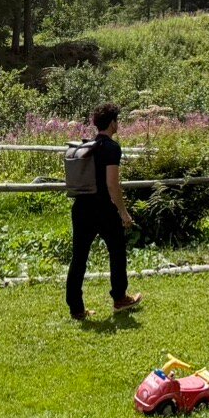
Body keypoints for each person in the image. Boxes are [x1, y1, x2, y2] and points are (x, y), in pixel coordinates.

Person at [67, 102, 142, 321]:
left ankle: (76, 309)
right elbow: (112, 184)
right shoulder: (111, 148)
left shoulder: (87, 146)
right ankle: (120, 298)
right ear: (112, 123)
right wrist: (123, 212)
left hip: (81, 208)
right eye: (117, 120)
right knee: (117, 251)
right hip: (104, 209)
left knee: (79, 258)